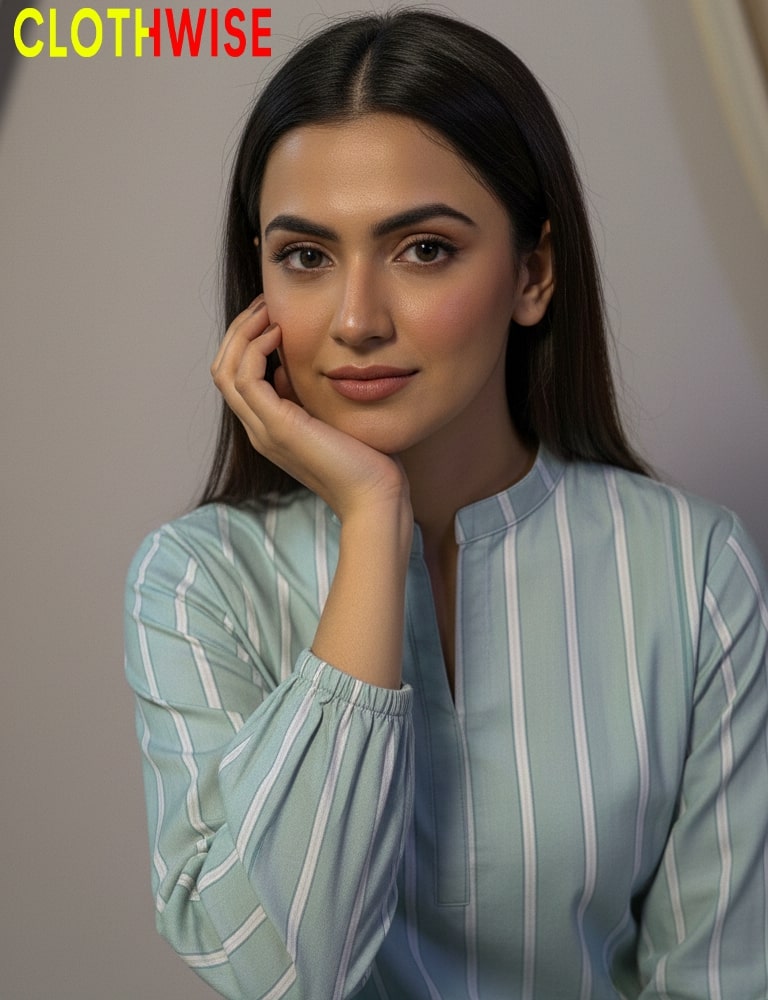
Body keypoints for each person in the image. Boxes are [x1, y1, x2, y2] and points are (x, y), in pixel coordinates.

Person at [124, 9, 768, 999]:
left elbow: (720, 977)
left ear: (533, 273)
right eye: (306, 257)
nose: (355, 320)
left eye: (423, 249)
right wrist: (372, 520)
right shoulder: (194, 581)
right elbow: (280, 973)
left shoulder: (696, 571)